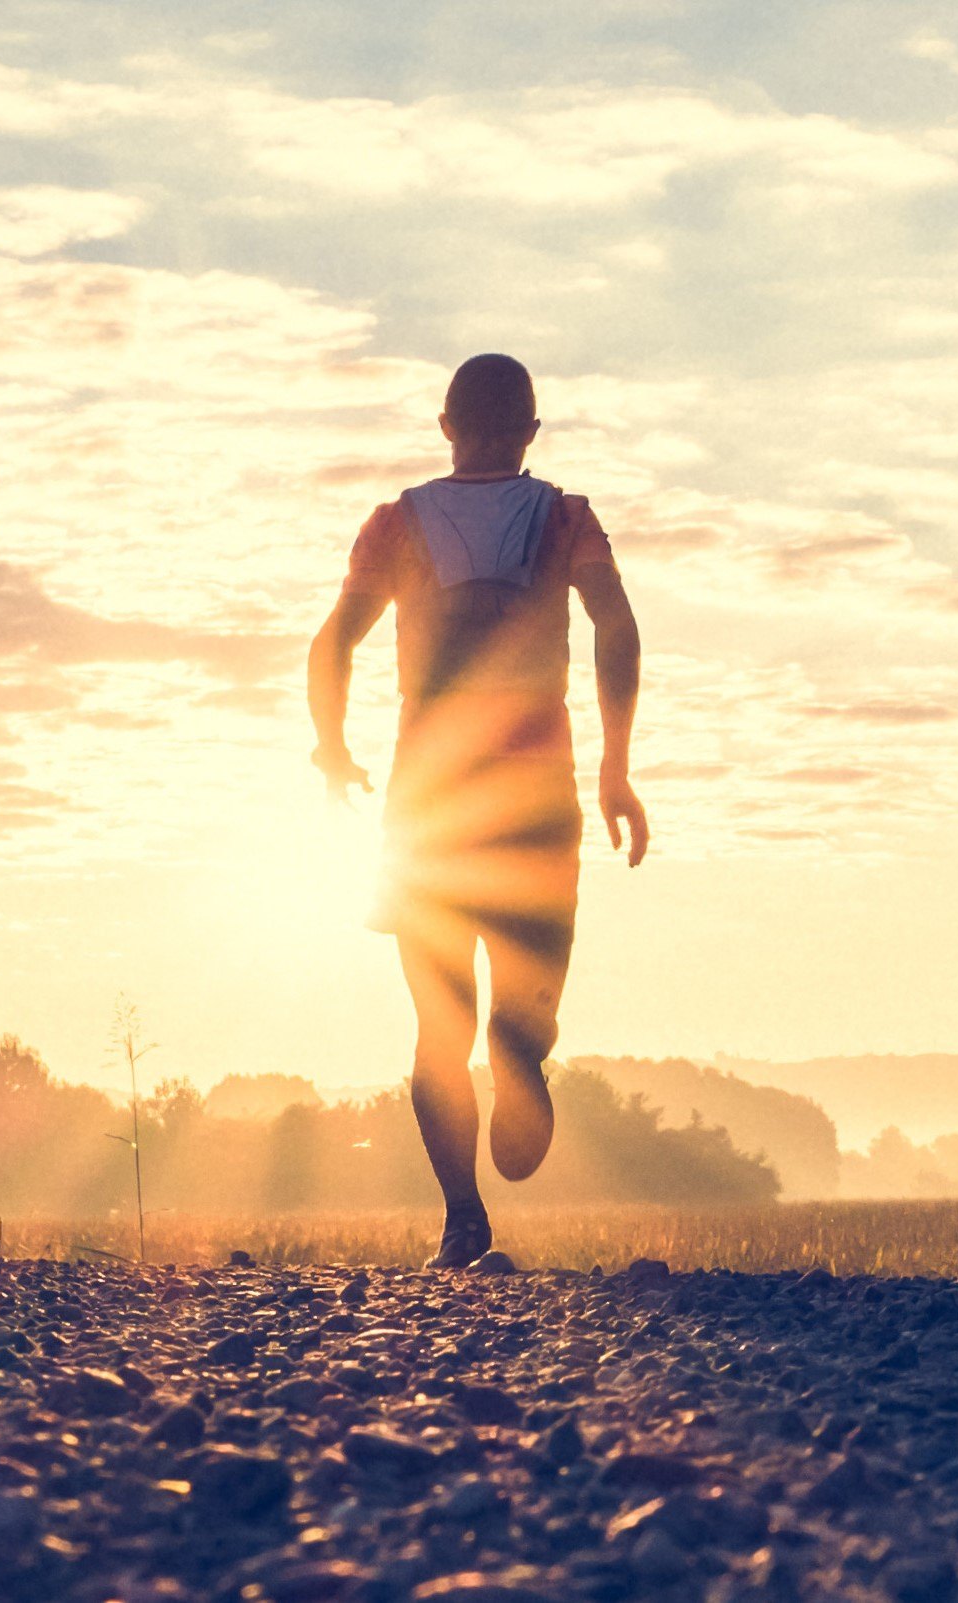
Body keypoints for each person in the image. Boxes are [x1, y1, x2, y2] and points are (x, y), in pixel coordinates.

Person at [309, 353, 648, 1269]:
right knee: (529, 990)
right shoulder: (564, 517)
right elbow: (616, 626)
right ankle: (523, 1045)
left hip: (427, 808)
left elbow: (333, 643)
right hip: (539, 797)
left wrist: (332, 747)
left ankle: (462, 1217)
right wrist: (617, 767)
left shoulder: (396, 524)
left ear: (446, 429)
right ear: (531, 432)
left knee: (436, 1027)